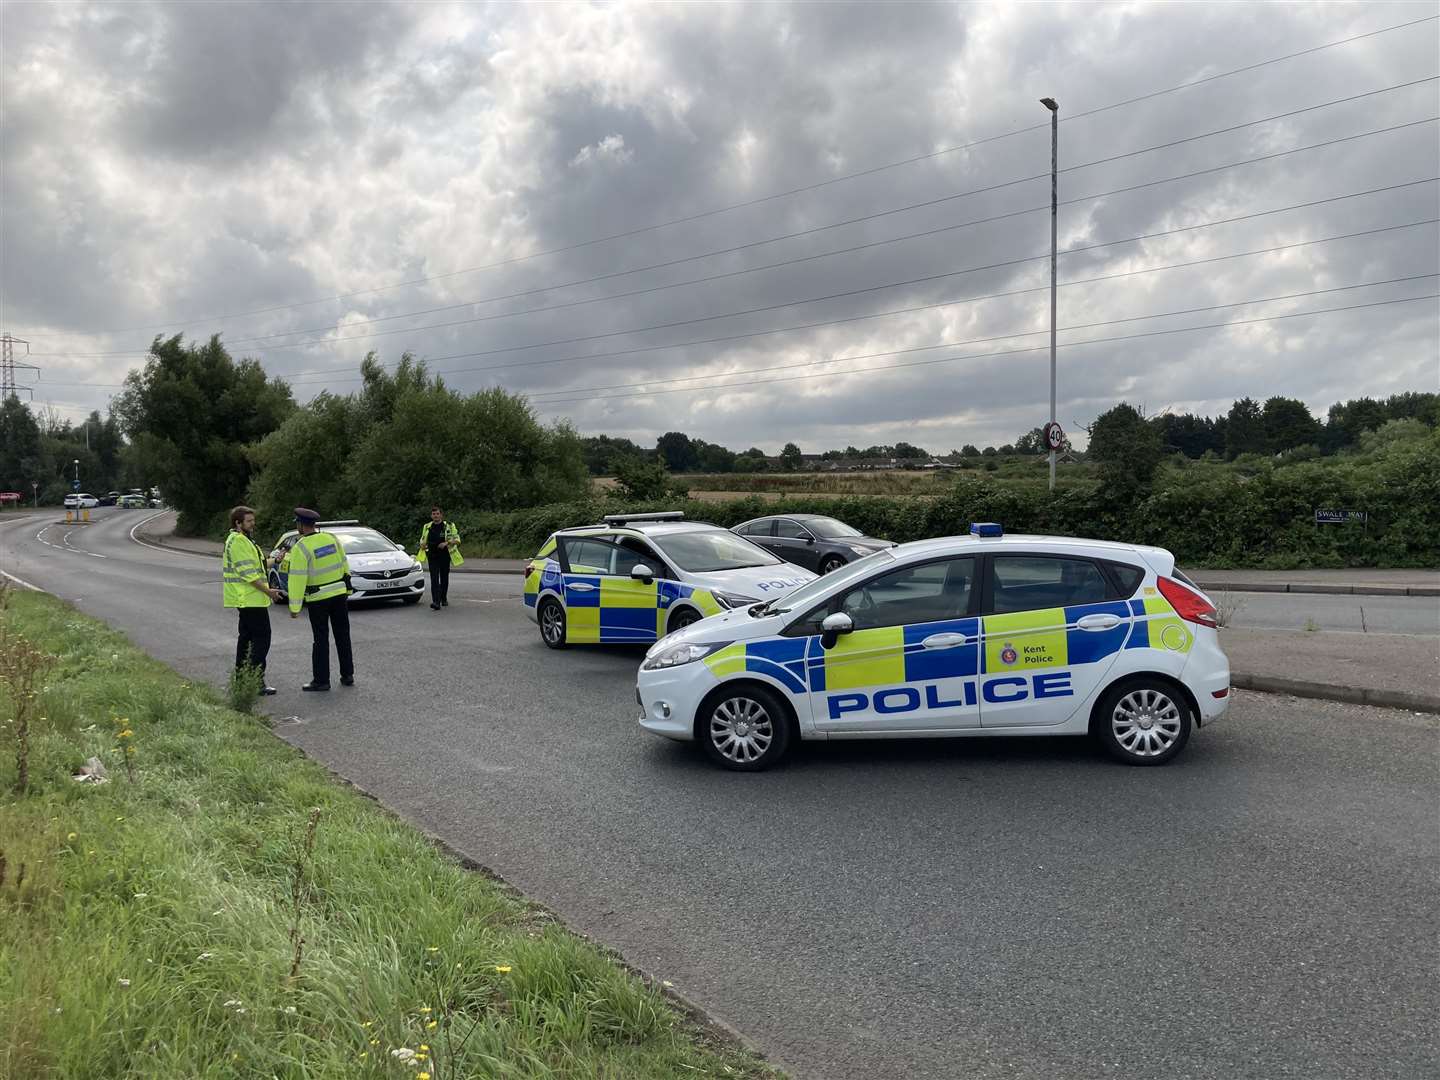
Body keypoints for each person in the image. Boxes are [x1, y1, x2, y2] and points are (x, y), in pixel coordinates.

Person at [285, 507, 354, 691]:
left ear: (300, 525)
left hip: (318, 598)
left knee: (321, 639)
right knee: (343, 635)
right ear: (314, 524)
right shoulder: (331, 538)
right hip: (339, 594)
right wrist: (347, 588)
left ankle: (322, 681)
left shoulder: (300, 547)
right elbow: (344, 563)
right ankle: (348, 675)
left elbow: (297, 578)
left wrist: (295, 607)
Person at [222, 505, 281, 695]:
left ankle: (242, 680)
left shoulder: (245, 540)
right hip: (250, 598)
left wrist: (275, 560)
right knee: (262, 639)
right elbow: (250, 575)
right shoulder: (239, 541)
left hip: (248, 599)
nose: (253, 524)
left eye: (253, 520)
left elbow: (259, 566)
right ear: (238, 523)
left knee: (246, 640)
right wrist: (269, 591)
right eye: (249, 521)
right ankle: (255, 682)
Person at [417, 506, 463, 610]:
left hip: (445, 555)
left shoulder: (449, 526)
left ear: (441, 515)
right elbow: (422, 539)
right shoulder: (427, 526)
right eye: (434, 514)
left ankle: (443, 597)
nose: (436, 516)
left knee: (444, 577)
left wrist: (446, 543)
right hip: (432, 555)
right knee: (434, 578)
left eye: (437, 514)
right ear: (431, 516)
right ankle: (436, 602)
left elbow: (457, 540)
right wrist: (422, 545)